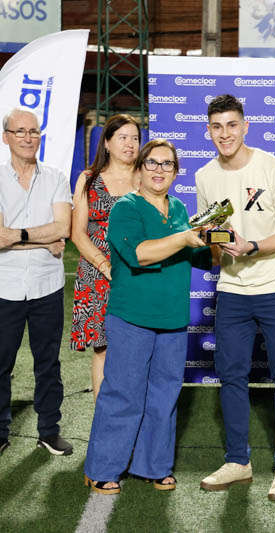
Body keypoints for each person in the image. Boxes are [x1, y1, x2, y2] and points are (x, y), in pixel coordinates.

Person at [83, 139, 214, 494]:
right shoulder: (126, 207)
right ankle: (103, 467)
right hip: (132, 319)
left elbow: (203, 259)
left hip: (173, 321)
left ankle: (154, 466)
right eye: (152, 163)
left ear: (175, 171)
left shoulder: (180, 210)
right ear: (140, 169)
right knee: (123, 394)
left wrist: (219, 241)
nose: (159, 170)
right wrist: (184, 238)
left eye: (167, 164)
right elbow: (139, 254)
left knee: (164, 397)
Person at [197, 94, 275, 501]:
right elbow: (214, 240)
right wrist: (216, 245)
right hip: (232, 291)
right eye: (217, 126)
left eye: (231, 125)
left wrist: (252, 246)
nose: (225, 133)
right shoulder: (205, 177)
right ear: (209, 131)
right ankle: (237, 461)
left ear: (245, 126)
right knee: (231, 377)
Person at [0, 107, 72, 459]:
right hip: (4, 285)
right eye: (20, 132)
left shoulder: (57, 177)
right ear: (6, 138)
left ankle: (49, 431)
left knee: (48, 363)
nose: (28, 137)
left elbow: (63, 228)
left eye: (33, 131)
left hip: (47, 283)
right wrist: (43, 240)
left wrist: (18, 235)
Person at [70, 114, 140, 401]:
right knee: (104, 347)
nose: (130, 144)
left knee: (136, 346)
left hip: (138, 272)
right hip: (97, 276)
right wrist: (105, 265)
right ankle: (104, 423)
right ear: (108, 143)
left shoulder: (147, 178)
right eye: (122, 137)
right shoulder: (88, 179)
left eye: (135, 138)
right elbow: (77, 233)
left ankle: (134, 416)